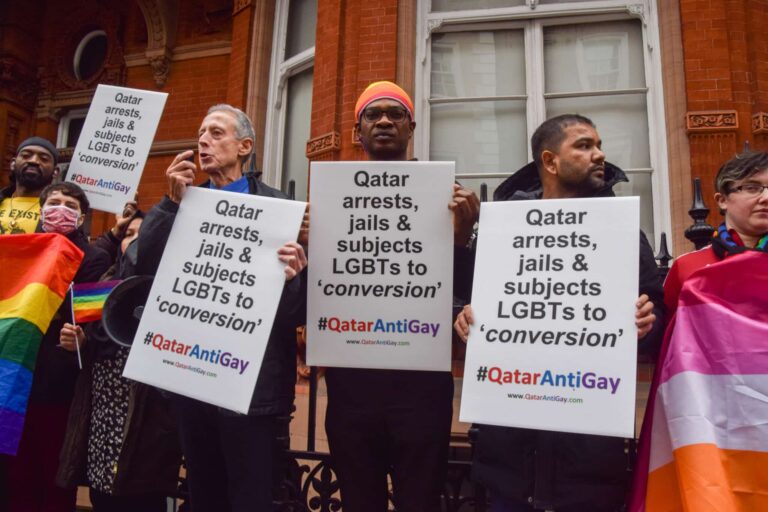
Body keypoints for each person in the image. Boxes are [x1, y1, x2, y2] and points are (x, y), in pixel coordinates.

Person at [453, 114, 665, 512]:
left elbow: (659, 320)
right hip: (509, 463)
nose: (599, 154)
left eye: (599, 144)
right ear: (549, 162)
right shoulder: (504, 234)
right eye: (584, 146)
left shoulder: (622, 233)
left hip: (587, 466)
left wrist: (648, 323)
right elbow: (467, 304)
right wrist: (464, 319)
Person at [133, 104, 307, 512]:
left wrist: (295, 276)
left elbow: (292, 315)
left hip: (251, 386)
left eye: (215, 133)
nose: (203, 142)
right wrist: (169, 205)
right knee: (204, 493)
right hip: (192, 378)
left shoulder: (278, 209)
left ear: (244, 146)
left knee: (250, 496)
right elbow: (142, 268)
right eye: (200, 134)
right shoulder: (184, 204)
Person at [321, 81, 480, 512]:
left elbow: (464, 296)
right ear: (358, 132)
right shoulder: (332, 201)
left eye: (395, 114)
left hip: (421, 389)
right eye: (373, 115)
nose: (385, 121)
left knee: (420, 502)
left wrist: (462, 239)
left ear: (412, 126)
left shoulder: (447, 199)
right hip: (352, 389)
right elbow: (320, 289)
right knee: (359, 502)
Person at [56, 209, 183, 512]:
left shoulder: (171, 289)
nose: (136, 241)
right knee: (103, 496)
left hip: (146, 423)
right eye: (130, 235)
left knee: (143, 498)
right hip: (104, 416)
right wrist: (80, 344)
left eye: (145, 235)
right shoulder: (104, 282)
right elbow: (92, 343)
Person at [3, 182, 110, 512]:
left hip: (58, 384)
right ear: (41, 209)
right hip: (13, 377)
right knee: (11, 473)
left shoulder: (94, 258)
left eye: (69, 204)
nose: (60, 208)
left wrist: (81, 339)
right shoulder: (17, 249)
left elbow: (93, 322)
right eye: (53, 202)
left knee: (52, 473)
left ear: (80, 217)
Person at [663, 151, 768, 314]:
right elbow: (670, 335)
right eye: (752, 188)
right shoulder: (687, 267)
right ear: (722, 200)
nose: (766, 197)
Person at [0, 137, 59, 234]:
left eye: (44, 159)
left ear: (55, 171)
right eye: (26, 155)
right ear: (13, 164)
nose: (34, 161)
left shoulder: (59, 211)